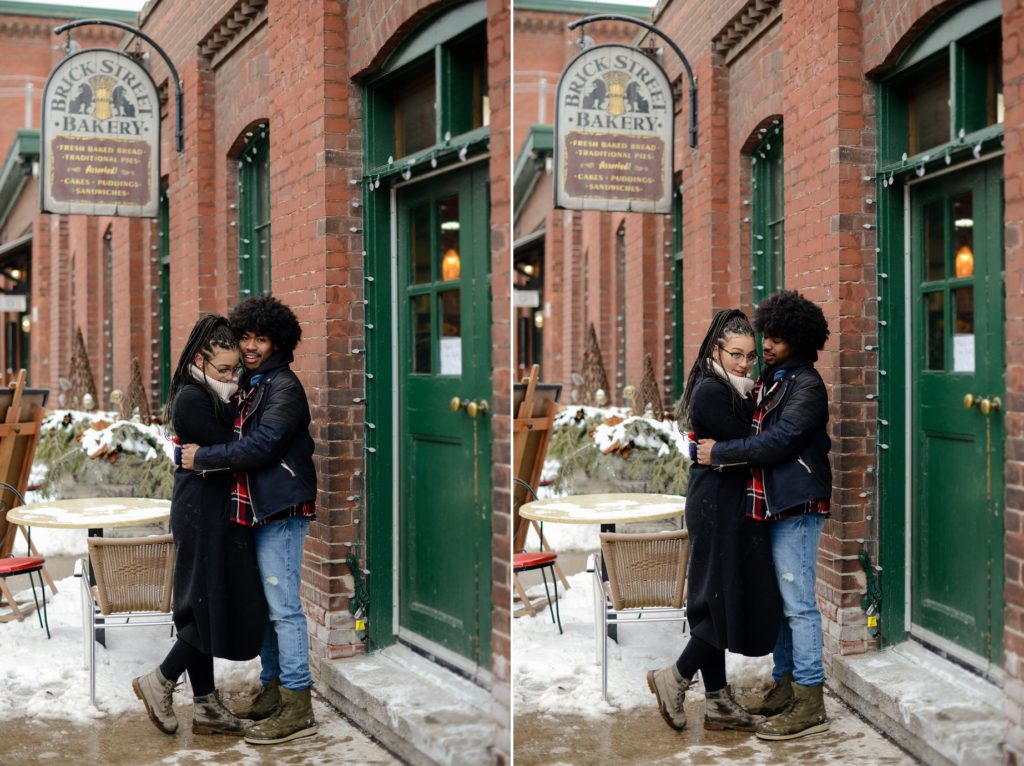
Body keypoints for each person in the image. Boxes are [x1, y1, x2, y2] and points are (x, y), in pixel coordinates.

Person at [180, 295, 318, 746]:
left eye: (262, 338)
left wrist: (202, 459)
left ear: (278, 341)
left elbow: (263, 446)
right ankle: (273, 688)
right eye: (247, 337)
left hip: (280, 508)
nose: (252, 346)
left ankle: (298, 703)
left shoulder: (284, 387)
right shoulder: (251, 381)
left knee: (284, 609)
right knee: (263, 609)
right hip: (252, 509)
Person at [696, 290, 832, 741]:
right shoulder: (775, 379)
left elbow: (779, 442)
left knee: (799, 606)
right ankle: (786, 682)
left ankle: (811, 698)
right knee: (780, 603)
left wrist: (719, 454)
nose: (767, 345)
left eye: (777, 338)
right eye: (765, 336)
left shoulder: (807, 386)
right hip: (770, 504)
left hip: (796, 506)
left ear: (800, 339)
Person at [647, 310, 782, 733]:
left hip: (729, 501)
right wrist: (753, 442)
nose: (745, 364)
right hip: (716, 504)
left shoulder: (734, 387)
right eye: (736, 355)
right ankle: (674, 679)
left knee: (720, 598)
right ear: (716, 350)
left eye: (751, 356)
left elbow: (746, 443)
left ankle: (720, 702)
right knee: (720, 601)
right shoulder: (711, 391)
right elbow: (753, 444)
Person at [133, 314, 267, 737]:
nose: (231, 377)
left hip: (215, 507)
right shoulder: (192, 399)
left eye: (235, 370)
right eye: (223, 370)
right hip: (201, 511)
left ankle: (207, 706)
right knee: (205, 606)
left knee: (204, 603)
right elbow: (238, 448)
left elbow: (235, 447)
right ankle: (160, 681)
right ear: (200, 360)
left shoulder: (214, 394)